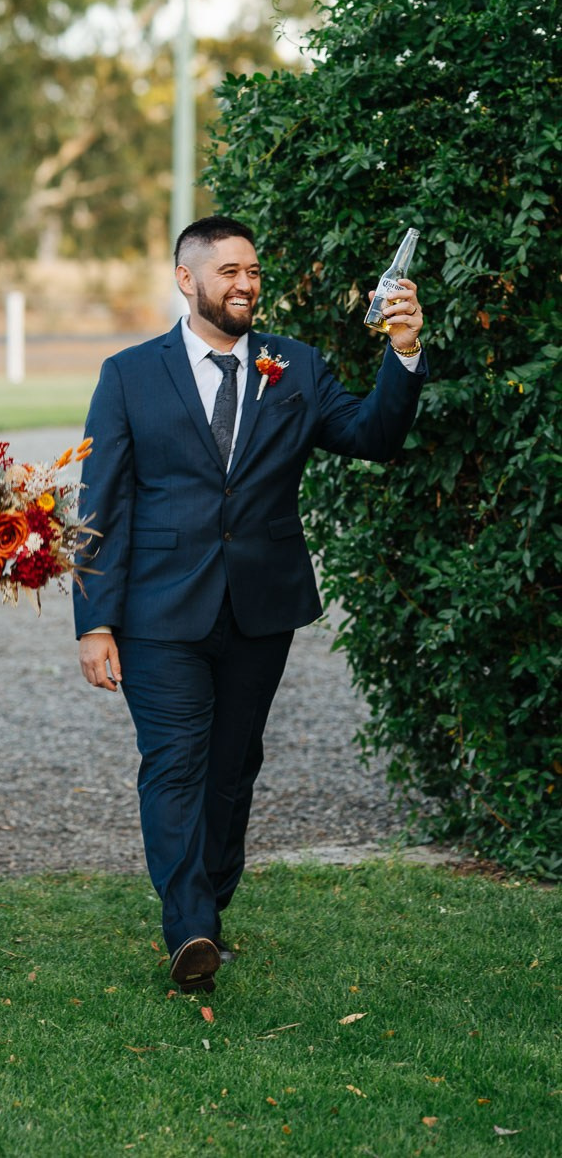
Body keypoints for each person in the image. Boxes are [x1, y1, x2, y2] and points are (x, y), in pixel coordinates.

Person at [74, 216, 427, 994]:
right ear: (185, 278)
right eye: (228, 271)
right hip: (158, 611)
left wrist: (403, 355)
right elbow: (101, 503)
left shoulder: (293, 366)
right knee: (175, 763)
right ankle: (190, 928)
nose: (244, 284)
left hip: (261, 608)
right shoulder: (129, 374)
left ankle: (210, 906)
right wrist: (94, 620)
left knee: (233, 768)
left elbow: (372, 436)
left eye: (253, 272)